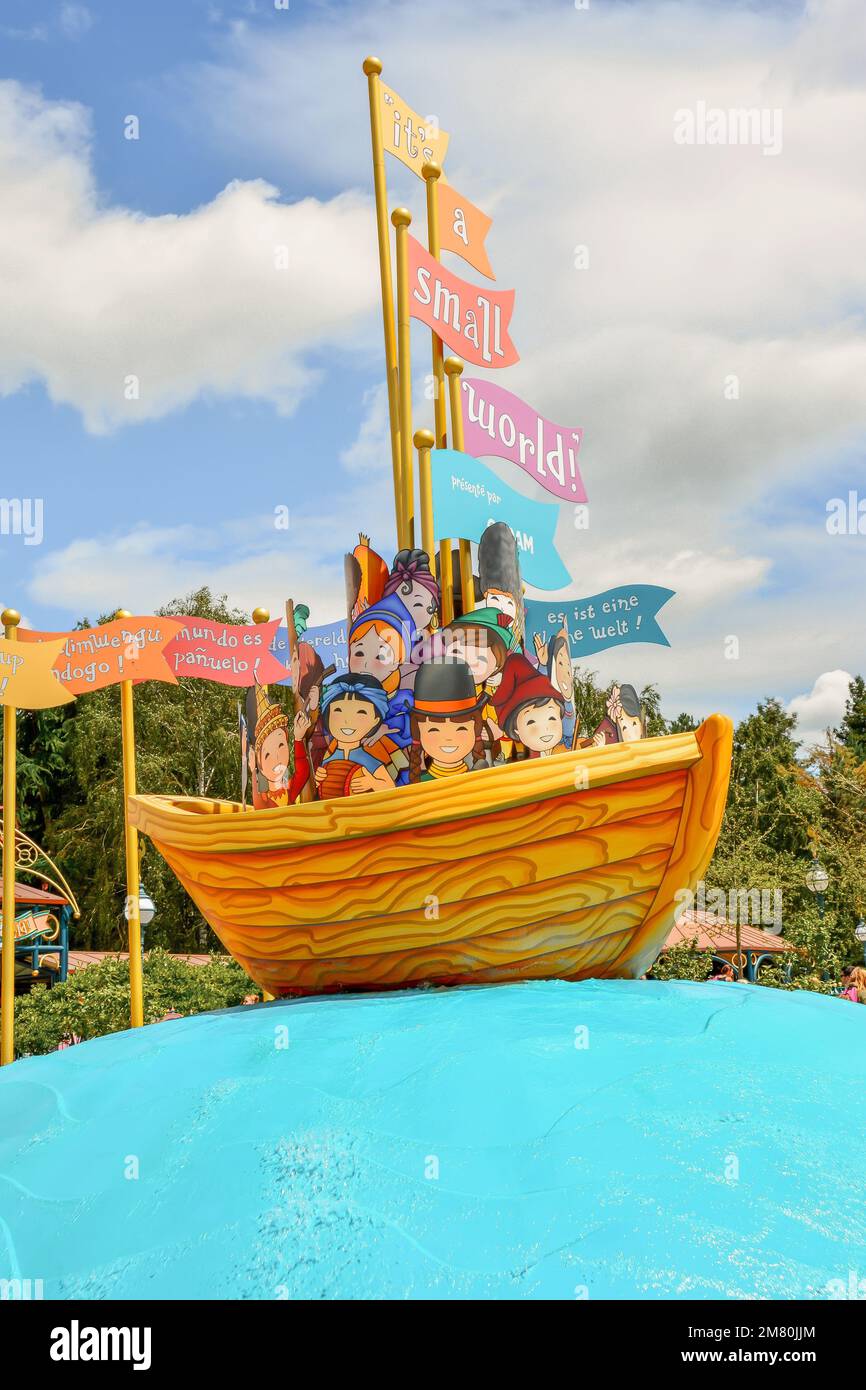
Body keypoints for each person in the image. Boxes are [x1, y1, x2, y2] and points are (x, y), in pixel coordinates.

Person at [347, 592, 418, 780]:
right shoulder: (347, 697)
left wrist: (386, 727)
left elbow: (417, 724)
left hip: (399, 776)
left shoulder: (402, 699)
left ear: (398, 661)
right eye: (359, 652)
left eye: (380, 656)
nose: (366, 664)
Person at [314, 672, 406, 798]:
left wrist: (372, 783)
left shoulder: (368, 760)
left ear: (376, 720)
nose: (347, 720)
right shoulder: (329, 757)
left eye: (361, 712)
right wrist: (319, 779)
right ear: (327, 716)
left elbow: (390, 786)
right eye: (338, 710)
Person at [409, 659, 486, 783]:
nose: (448, 738)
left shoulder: (481, 778)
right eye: (433, 730)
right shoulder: (421, 784)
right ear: (418, 731)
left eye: (461, 728)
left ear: (475, 728)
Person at [244, 684, 311, 808]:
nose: (277, 756)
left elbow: (303, 772)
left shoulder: (288, 789)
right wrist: (253, 770)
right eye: (267, 754)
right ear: (259, 761)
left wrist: (298, 739)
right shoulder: (264, 796)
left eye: (281, 745)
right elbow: (259, 806)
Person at [493, 652, 568, 758]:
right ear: (516, 730)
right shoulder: (521, 760)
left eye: (552, 718)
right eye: (530, 722)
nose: (545, 728)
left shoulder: (567, 749)